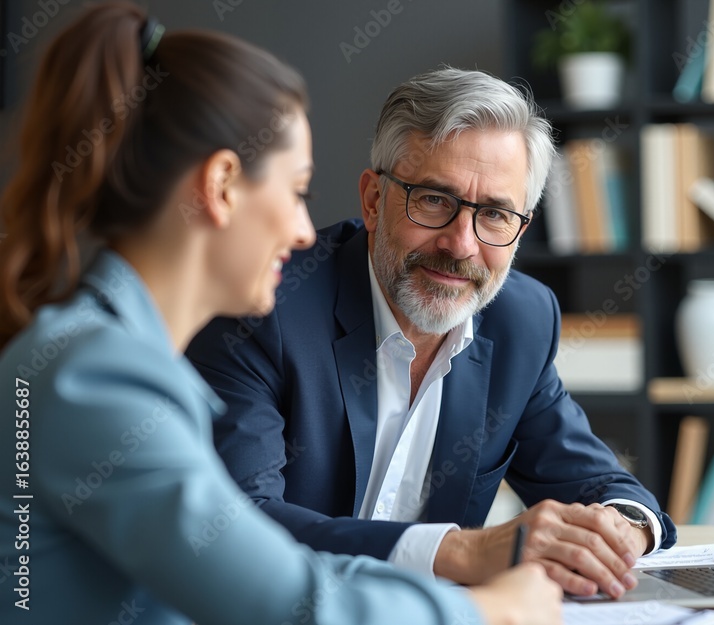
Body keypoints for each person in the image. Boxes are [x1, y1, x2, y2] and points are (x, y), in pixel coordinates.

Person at [0, 4, 561, 624]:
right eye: (297, 192)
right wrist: (490, 614)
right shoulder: (96, 378)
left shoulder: (113, 358)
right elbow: (287, 603)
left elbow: (266, 561)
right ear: (221, 187)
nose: (303, 232)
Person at [187, 66, 678, 600]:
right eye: (434, 201)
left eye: (493, 214)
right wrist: (464, 552)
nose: (461, 245)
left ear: (521, 230)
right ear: (374, 201)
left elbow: (602, 485)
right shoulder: (264, 303)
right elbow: (238, 526)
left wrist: (619, 531)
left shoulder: (522, 322)